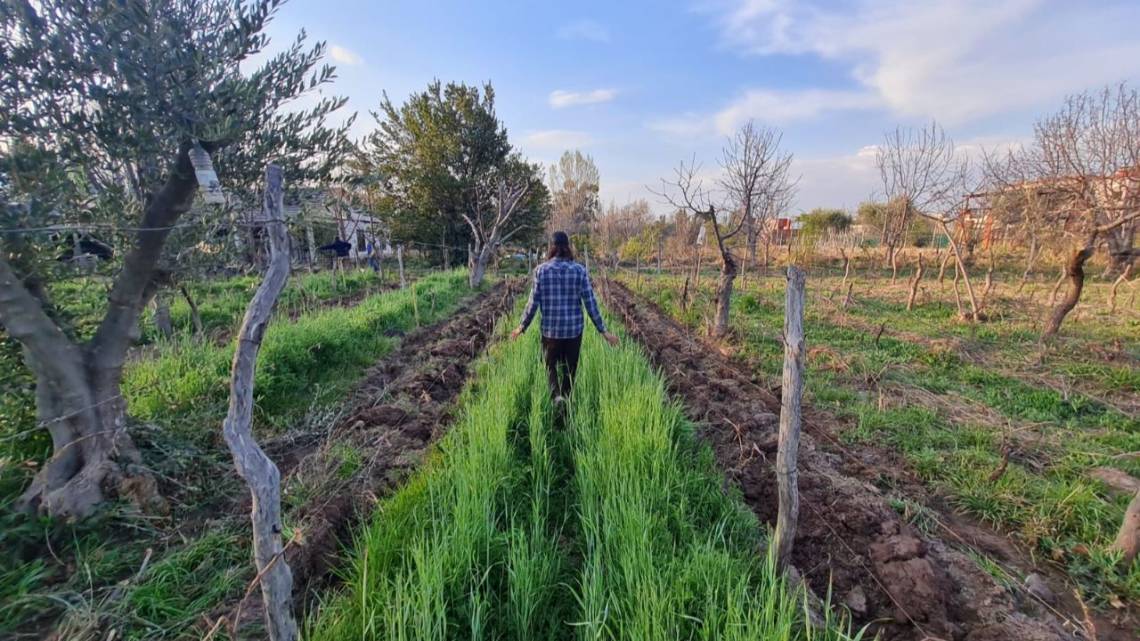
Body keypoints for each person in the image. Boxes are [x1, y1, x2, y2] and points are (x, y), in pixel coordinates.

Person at [511, 231, 619, 403]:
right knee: (570, 369)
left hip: (550, 332)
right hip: (573, 332)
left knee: (550, 367)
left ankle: (556, 396)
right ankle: (566, 400)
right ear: (568, 247)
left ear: (551, 248)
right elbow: (590, 303)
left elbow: (532, 303)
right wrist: (603, 331)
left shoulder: (541, 271)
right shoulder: (579, 271)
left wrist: (521, 327)